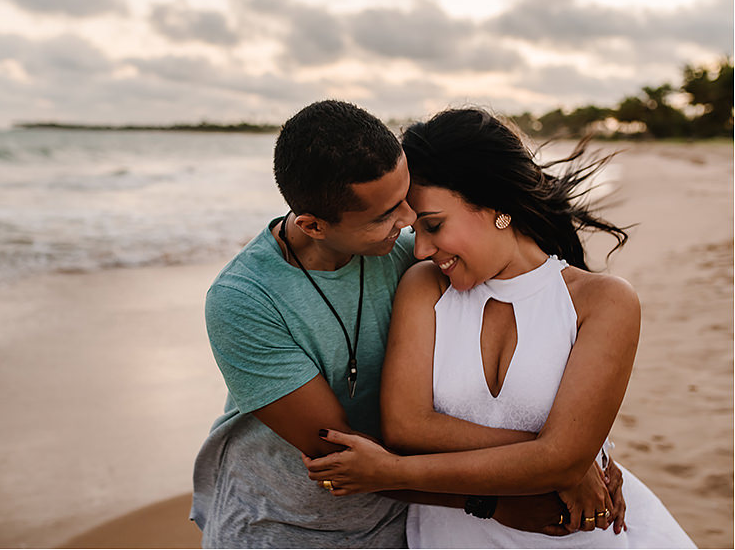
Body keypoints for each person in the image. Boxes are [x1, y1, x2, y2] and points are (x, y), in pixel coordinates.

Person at [191, 101, 624, 548]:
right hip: (285, 522)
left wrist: (572, 455)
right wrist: (517, 485)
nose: (409, 223)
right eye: (385, 216)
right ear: (313, 226)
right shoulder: (244, 300)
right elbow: (343, 454)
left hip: (407, 522)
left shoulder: (415, 250)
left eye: (406, 198)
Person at [302, 108, 695, 548]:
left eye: (433, 226)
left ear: (496, 206)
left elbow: (560, 460)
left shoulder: (602, 302)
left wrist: (392, 472)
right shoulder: (425, 287)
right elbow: (406, 427)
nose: (421, 249)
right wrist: (563, 455)